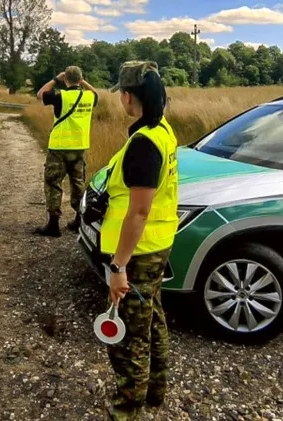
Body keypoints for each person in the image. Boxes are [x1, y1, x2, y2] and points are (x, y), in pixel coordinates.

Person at [99, 60, 179, 420]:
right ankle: (155, 391)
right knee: (153, 318)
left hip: (138, 252)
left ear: (129, 97)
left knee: (130, 334)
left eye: (122, 94)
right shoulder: (162, 129)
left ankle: (128, 408)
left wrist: (118, 266)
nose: (121, 100)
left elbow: (139, 212)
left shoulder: (144, 143)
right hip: (157, 246)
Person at [34, 65, 99, 237]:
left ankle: (53, 224)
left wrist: (56, 79)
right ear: (80, 79)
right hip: (79, 147)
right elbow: (96, 93)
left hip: (59, 147)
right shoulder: (89, 96)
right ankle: (78, 220)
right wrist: (82, 80)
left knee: (53, 183)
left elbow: (40, 94)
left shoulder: (60, 96)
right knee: (78, 183)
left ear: (66, 80)